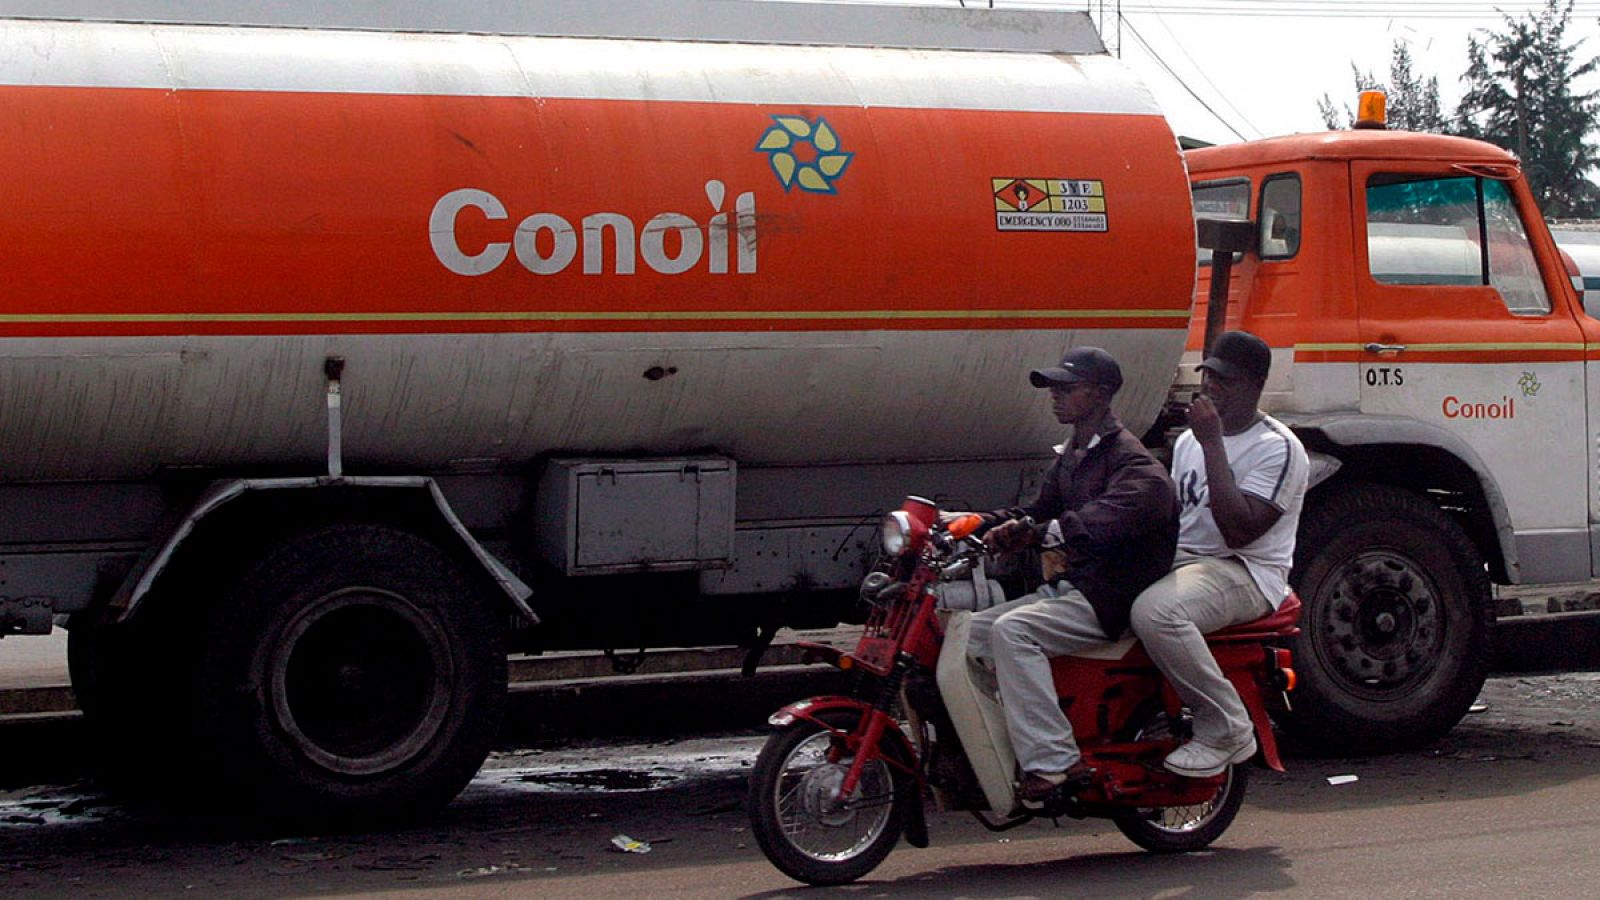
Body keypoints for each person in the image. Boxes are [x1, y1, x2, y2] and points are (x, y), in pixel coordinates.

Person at [962, 346, 1178, 805]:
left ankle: (1057, 762)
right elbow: (1037, 512)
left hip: (1108, 599)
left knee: (1013, 631)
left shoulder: (1134, 465)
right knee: (966, 637)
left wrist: (1041, 532)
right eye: (1053, 389)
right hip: (1072, 590)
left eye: (1067, 388)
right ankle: (1003, 748)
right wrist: (974, 522)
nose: (1055, 397)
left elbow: (1097, 520)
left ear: (1101, 395)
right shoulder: (1075, 456)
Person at [1129, 330, 1310, 778]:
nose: (1211, 388)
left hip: (1246, 572)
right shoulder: (1189, 442)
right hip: (1187, 559)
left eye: (1225, 381)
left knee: (1158, 613)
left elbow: (1239, 531)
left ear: (1254, 386)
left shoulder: (1278, 447)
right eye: (1208, 376)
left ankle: (1226, 725)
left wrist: (1212, 443)